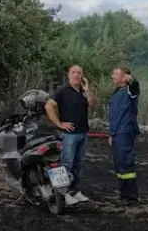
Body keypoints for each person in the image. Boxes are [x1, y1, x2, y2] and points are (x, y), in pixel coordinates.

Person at [45, 65, 97, 205]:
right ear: (68, 75)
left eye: (79, 73)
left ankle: (74, 191)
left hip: (82, 133)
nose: (76, 75)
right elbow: (49, 106)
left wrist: (87, 90)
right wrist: (59, 123)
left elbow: (93, 105)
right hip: (69, 135)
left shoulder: (83, 91)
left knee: (78, 165)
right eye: (73, 73)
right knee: (65, 164)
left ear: (82, 76)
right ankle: (62, 194)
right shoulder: (62, 90)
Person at [107, 66, 141, 205]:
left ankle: (130, 197)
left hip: (125, 131)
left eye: (115, 74)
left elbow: (135, 85)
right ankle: (123, 194)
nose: (112, 76)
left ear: (125, 77)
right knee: (119, 165)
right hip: (116, 132)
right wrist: (111, 134)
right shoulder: (117, 91)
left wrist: (131, 79)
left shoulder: (130, 89)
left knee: (126, 164)